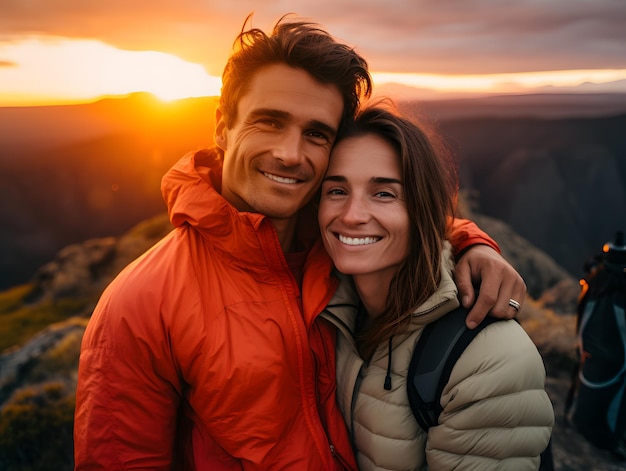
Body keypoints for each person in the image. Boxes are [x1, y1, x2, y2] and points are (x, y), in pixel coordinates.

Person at [74, 16, 527, 469]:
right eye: (269, 122)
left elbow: (398, 217)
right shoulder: (138, 306)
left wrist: (473, 244)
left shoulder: (337, 242)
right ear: (221, 127)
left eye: (316, 133)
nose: (290, 154)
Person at [318, 104, 554, 470]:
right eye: (336, 190)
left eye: (384, 194)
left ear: (423, 209)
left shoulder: (487, 359)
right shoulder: (328, 306)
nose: (351, 215)